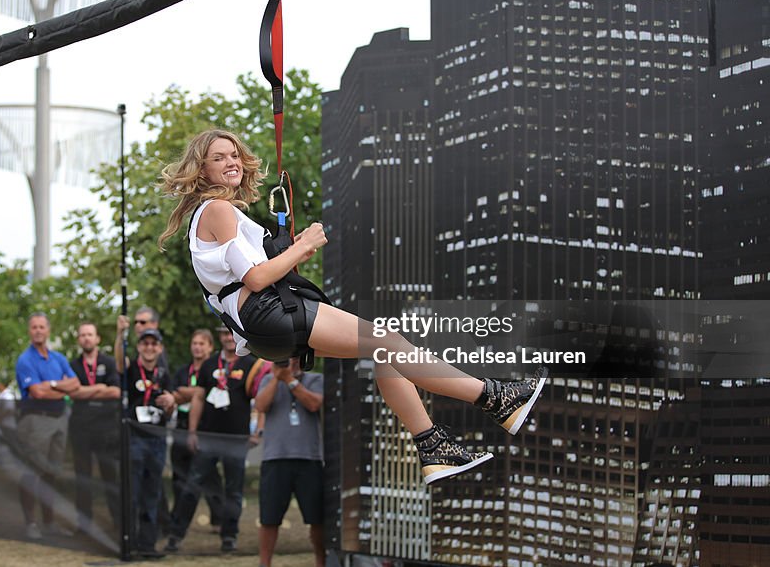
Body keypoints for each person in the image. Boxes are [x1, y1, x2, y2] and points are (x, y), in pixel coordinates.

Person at [159, 129, 547, 484]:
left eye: (234, 155)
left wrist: (290, 254)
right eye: (218, 158)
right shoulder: (218, 209)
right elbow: (256, 279)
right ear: (202, 169)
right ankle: (493, 397)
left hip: (262, 329)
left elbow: (253, 274)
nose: (231, 163)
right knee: (390, 341)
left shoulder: (209, 216)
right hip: (269, 312)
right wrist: (304, 244)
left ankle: (433, 446)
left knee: (383, 353)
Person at [165, 324, 264, 554]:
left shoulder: (251, 363)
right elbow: (198, 398)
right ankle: (176, 535)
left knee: (234, 491)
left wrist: (258, 429)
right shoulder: (210, 365)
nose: (229, 337)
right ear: (219, 337)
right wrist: (192, 431)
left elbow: (260, 399)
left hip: (236, 439)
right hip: (208, 437)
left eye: (232, 332)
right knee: (192, 486)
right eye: (225, 333)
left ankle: (229, 536)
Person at [254, 358, 325, 567]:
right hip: (275, 458)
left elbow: (314, 404)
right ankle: (264, 563)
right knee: (269, 517)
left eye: (292, 358)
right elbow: (260, 405)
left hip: (309, 458)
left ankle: (321, 560)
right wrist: (278, 379)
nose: (288, 362)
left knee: (317, 517)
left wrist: (291, 381)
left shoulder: (315, 379)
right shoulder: (268, 379)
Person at [14, 312, 79, 540]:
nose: (38, 330)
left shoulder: (58, 358)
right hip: (35, 420)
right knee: (32, 472)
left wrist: (52, 384)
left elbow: (75, 384)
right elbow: (37, 393)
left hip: (59, 420)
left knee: (51, 473)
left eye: (42, 326)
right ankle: (30, 523)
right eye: (34, 327)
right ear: (29, 331)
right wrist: (61, 388)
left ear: (48, 330)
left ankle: (49, 523)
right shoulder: (25, 360)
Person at [124, 328, 175, 560]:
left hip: (157, 439)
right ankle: (129, 543)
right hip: (134, 438)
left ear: (160, 348)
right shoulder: (130, 369)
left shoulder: (164, 373)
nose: (149, 348)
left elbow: (171, 404)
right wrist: (119, 334)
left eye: (154, 344)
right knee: (132, 493)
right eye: (145, 343)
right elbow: (118, 359)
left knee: (152, 493)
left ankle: (147, 544)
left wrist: (171, 401)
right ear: (138, 347)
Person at [67, 321, 121, 533]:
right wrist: (99, 388)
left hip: (106, 427)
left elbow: (115, 392)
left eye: (90, 334)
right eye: (83, 335)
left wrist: (86, 390)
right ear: (79, 340)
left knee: (110, 475)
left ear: (97, 338)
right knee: (83, 477)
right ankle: (84, 524)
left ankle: (118, 523)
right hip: (80, 427)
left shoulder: (108, 363)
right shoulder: (72, 365)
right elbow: (72, 393)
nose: (86, 338)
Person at [169, 329, 225, 532]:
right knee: (179, 476)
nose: (197, 347)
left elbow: (207, 393)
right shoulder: (183, 371)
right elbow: (176, 394)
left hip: (206, 426)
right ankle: (177, 519)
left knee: (210, 478)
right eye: (194, 343)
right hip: (182, 427)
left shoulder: (215, 370)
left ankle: (218, 519)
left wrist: (189, 392)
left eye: (202, 343)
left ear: (210, 347)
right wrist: (191, 394)